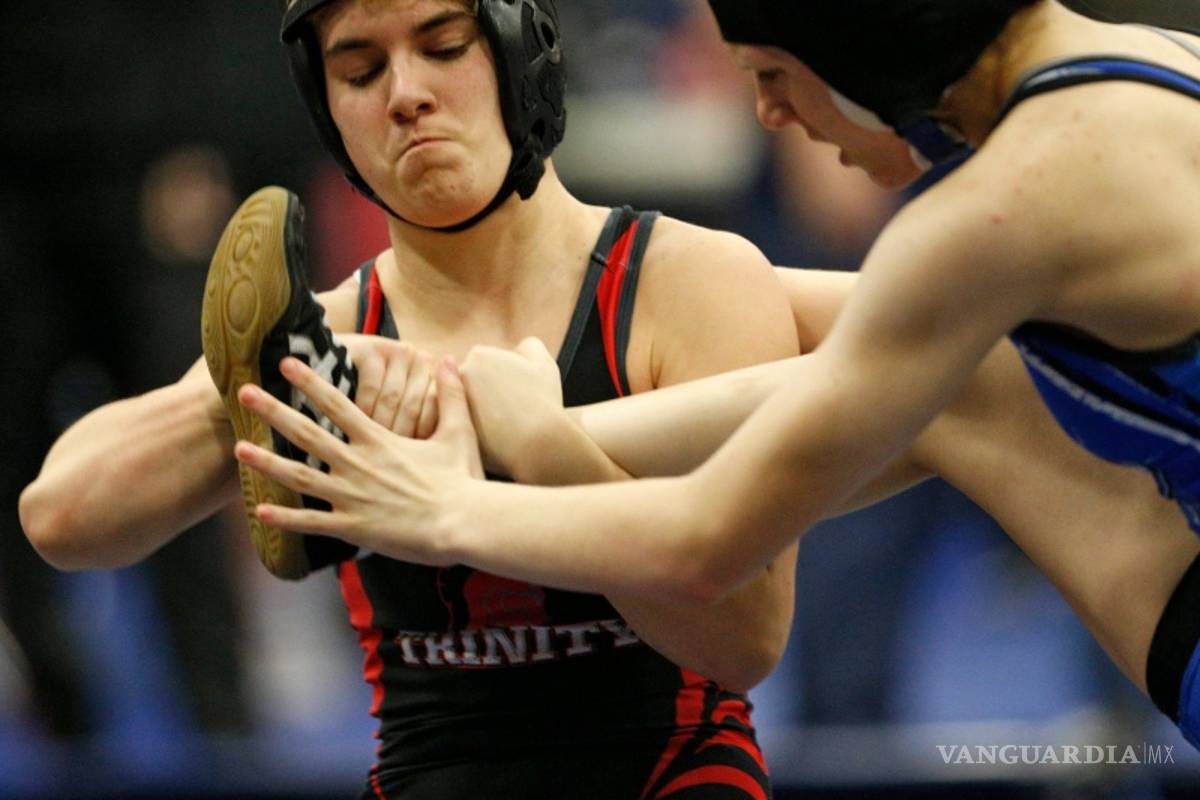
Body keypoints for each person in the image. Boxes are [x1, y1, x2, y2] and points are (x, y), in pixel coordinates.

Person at [226, 0, 1200, 750]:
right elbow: (869, 331)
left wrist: (437, 505)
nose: (771, 113)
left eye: (773, 72)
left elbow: (703, 548)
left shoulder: (991, 219)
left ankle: (461, 442)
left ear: (857, 39)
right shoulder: (1156, 68)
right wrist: (481, 400)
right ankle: (465, 425)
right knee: (960, 384)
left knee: (958, 391)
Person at [23, 0, 800, 795]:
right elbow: (61, 518)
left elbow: (743, 642)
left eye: (444, 46)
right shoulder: (329, 330)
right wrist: (288, 380)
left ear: (520, 50)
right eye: (360, 71)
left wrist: (546, 452)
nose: (405, 93)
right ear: (327, 112)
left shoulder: (690, 282)